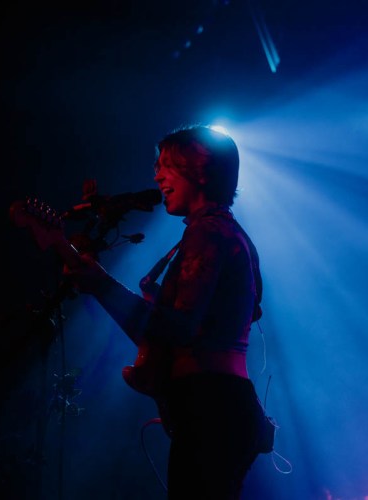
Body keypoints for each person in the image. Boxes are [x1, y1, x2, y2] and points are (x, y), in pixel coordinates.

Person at [63, 124, 271, 499]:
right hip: (223, 403)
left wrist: (101, 283)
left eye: (167, 166)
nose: (157, 176)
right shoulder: (228, 233)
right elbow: (228, 318)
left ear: (201, 169)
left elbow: (177, 329)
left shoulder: (208, 233)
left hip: (212, 405)